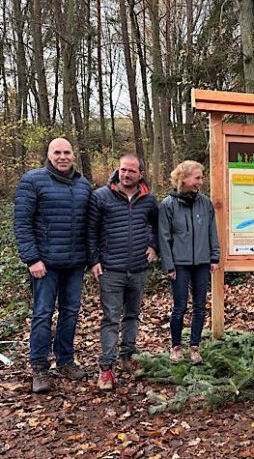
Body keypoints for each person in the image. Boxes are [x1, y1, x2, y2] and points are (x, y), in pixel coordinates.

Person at [14, 138, 91, 393]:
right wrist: (32, 259)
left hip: (75, 263)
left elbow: (89, 226)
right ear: (48, 155)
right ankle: (39, 368)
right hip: (44, 264)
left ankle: (65, 361)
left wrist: (91, 259)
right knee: (43, 313)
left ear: (73, 155)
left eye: (66, 152)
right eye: (57, 152)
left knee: (70, 312)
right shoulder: (33, 180)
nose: (62, 157)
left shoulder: (83, 185)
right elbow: (22, 223)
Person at [87, 154, 158, 390]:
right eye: (123, 170)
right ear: (118, 170)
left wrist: (153, 245)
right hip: (110, 270)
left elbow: (156, 226)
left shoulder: (148, 199)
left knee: (132, 315)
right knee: (110, 319)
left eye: (131, 171)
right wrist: (94, 260)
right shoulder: (100, 196)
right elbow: (91, 231)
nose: (126, 174)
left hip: (138, 269)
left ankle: (129, 356)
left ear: (140, 174)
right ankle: (106, 368)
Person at [158, 161, 220, 365]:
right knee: (180, 306)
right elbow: (164, 238)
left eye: (201, 178)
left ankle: (195, 347)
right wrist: (169, 265)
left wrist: (214, 257)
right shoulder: (168, 204)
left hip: (202, 262)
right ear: (183, 179)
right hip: (179, 264)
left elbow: (212, 231)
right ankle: (176, 347)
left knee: (200, 306)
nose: (200, 182)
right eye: (197, 178)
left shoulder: (205, 203)